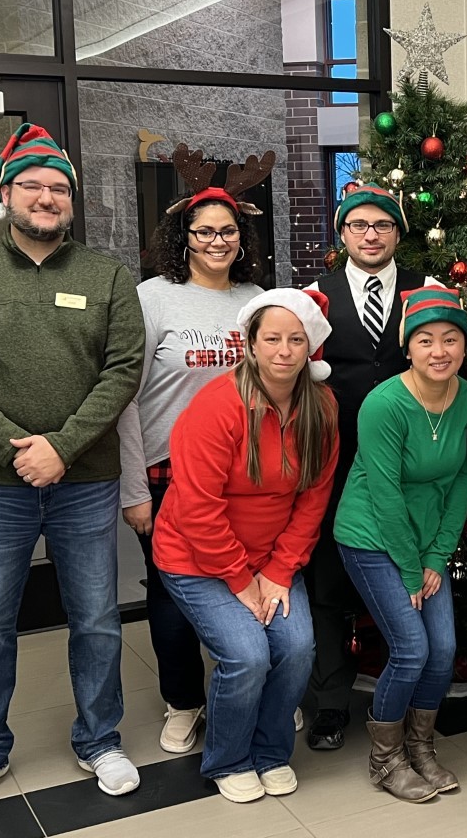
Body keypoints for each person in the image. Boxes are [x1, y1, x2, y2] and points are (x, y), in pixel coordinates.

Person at [0, 123, 145, 812]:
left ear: (72, 202)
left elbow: (123, 371)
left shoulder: (106, 275)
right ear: (6, 196)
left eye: (58, 188)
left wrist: (64, 448)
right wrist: (23, 447)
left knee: (97, 618)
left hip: (84, 480)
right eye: (33, 186)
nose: (47, 198)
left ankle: (100, 738)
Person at [153, 289, 338, 802]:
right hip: (196, 558)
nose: (284, 350)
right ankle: (229, 759)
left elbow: (312, 501)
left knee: (298, 647)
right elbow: (197, 507)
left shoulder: (321, 407)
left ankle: (270, 752)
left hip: (271, 561)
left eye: (295, 340)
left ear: (309, 347)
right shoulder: (217, 405)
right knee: (247, 654)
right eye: (272, 339)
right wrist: (240, 578)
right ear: (250, 345)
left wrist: (278, 572)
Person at [117, 177, 264, 755]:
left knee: (250, 580)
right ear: (183, 238)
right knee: (172, 594)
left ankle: (260, 688)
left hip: (247, 474)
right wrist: (134, 490)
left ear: (241, 236)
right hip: (168, 470)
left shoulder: (256, 299)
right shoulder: (151, 297)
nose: (216, 241)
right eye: (203, 231)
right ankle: (184, 701)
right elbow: (125, 397)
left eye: (227, 231)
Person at [304, 183, 438, 750]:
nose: (370, 235)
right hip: (339, 466)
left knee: (408, 585)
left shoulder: (427, 290)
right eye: (358, 225)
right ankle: (331, 702)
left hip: (412, 468)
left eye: (381, 225)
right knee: (329, 584)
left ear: (397, 233)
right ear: (343, 234)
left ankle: (412, 696)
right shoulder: (315, 298)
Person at [335, 287, 467, 803]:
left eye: (450, 339)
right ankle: (384, 758)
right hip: (372, 537)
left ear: (464, 345)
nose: (439, 350)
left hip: (426, 544)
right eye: (425, 340)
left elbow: (462, 480)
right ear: (408, 347)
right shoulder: (384, 404)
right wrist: (414, 571)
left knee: (443, 649)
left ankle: (420, 746)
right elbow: (385, 493)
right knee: (412, 647)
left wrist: (437, 555)